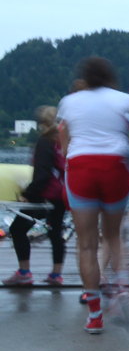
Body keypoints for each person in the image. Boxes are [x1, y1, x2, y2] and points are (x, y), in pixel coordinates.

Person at [56, 56, 129, 334]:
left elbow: (64, 148)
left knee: (86, 244)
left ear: (84, 77)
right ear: (110, 76)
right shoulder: (122, 99)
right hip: (114, 167)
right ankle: (121, 286)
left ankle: (95, 315)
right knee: (113, 235)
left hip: (81, 168)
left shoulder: (69, 102)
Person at [4, 106, 67, 286]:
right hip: (62, 193)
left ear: (41, 123)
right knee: (56, 232)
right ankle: (56, 275)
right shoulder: (62, 140)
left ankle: (24, 272)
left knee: (17, 229)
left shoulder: (44, 142)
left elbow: (42, 175)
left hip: (44, 195)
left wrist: (26, 194)